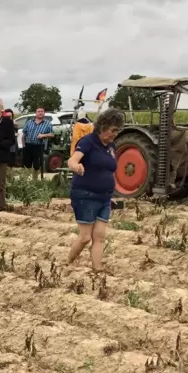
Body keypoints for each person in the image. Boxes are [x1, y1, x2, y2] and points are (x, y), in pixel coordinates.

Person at [67, 108, 124, 273]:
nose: (115, 133)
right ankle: (68, 263)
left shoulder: (111, 146)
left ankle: (97, 270)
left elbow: (109, 168)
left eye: (117, 130)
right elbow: (73, 160)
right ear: (103, 127)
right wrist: (75, 167)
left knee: (99, 236)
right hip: (86, 195)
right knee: (85, 237)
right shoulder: (88, 142)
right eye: (113, 130)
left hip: (104, 197)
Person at [22, 107, 55, 175]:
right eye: (38, 111)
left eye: (41, 111)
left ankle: (35, 181)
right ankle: (25, 181)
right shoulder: (29, 122)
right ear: (36, 113)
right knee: (26, 164)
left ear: (44, 113)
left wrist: (43, 135)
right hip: (28, 145)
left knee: (36, 165)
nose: (40, 113)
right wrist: (23, 145)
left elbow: (52, 134)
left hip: (39, 146)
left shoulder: (47, 123)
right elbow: (24, 134)